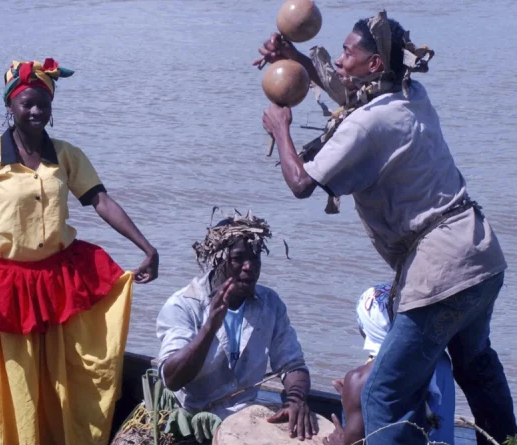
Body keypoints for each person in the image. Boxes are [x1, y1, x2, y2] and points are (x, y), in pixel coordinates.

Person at [256, 11, 514, 444]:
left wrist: (281, 130)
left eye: (346, 53)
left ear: (374, 65)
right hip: (482, 256)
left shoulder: (365, 125)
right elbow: (356, 96)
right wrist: (294, 56)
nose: (338, 61)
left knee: (382, 393)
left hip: (442, 271)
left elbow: (301, 183)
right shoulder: (412, 94)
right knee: (477, 365)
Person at [0, 58, 160, 445]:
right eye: (26, 104)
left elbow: (100, 201)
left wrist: (147, 247)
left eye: (43, 104)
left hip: (60, 276)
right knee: (14, 374)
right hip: (8, 281)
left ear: (51, 109)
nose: (35, 111)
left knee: (68, 371)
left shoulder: (66, 156)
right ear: (10, 107)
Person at [156, 212, 315, 442]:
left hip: (246, 419)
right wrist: (209, 328)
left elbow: (293, 365)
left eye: (255, 258)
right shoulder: (184, 305)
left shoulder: (270, 303)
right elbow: (171, 379)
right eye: (238, 258)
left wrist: (296, 400)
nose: (249, 267)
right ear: (217, 260)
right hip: (195, 422)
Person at [323, 284, 455, 445]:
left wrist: (350, 399)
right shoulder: (440, 360)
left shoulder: (359, 378)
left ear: (365, 327)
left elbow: (354, 444)